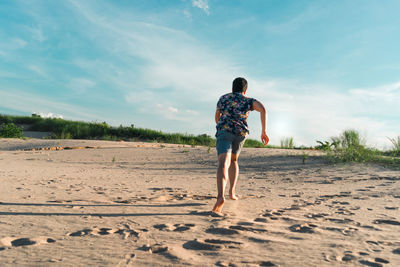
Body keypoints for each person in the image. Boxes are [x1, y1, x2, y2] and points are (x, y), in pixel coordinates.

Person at [212, 77, 269, 213]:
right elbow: (263, 109)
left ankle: (220, 197)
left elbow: (217, 115)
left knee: (222, 163)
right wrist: (263, 131)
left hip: (225, 131)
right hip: (240, 133)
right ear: (245, 90)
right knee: (233, 161)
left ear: (232, 88)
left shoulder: (223, 98)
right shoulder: (248, 100)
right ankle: (232, 192)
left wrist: (221, 126)